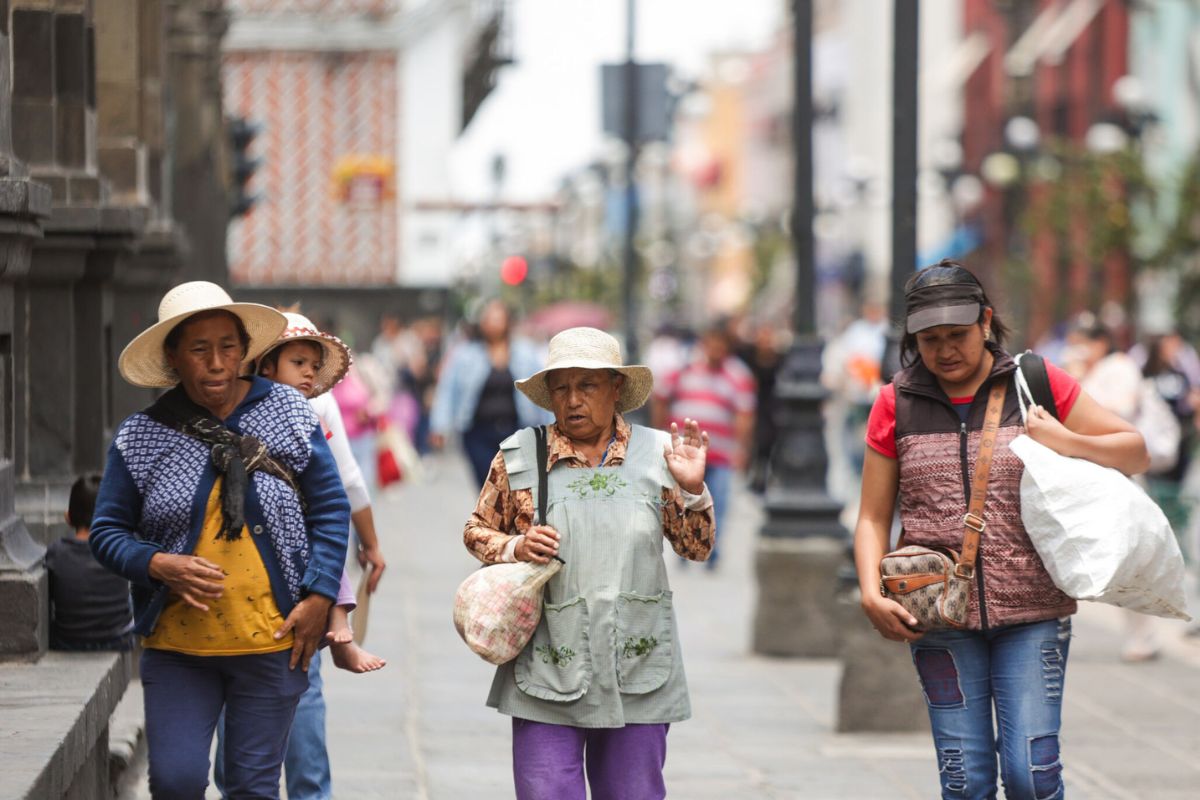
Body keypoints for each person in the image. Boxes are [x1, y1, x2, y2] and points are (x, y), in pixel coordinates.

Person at [853, 262, 1148, 800]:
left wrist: (1064, 438)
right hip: (937, 611)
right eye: (930, 340)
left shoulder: (1036, 384)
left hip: (1033, 614)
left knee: (1030, 777)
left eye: (957, 336)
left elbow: (1134, 448)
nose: (944, 351)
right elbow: (873, 515)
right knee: (965, 782)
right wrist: (870, 594)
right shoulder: (896, 402)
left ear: (986, 321)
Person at [89, 281, 351, 799]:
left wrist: (321, 596)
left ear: (244, 350)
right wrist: (159, 564)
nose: (216, 363)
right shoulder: (142, 436)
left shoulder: (290, 413)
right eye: (199, 349)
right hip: (178, 648)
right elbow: (106, 532)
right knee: (176, 780)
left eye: (228, 347)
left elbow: (330, 508)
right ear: (173, 357)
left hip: (273, 641)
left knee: (253, 788)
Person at [463, 327, 715, 800]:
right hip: (547, 661)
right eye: (561, 388)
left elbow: (695, 550)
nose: (573, 400)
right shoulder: (519, 455)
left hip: (638, 662)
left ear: (616, 389)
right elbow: (476, 531)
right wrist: (516, 548)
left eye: (588, 386)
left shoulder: (661, 454)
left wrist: (693, 490)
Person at [651, 323, 755, 569]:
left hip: (719, 454)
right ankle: (684, 546)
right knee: (682, 502)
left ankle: (711, 551)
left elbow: (745, 416)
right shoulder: (683, 370)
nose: (716, 350)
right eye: (712, 344)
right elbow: (660, 398)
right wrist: (659, 436)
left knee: (717, 502)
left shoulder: (738, 376)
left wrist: (741, 449)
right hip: (684, 453)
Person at [430, 299, 549, 485]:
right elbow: (447, 390)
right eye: (489, 319)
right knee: (489, 484)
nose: (493, 324)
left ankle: (509, 515)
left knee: (516, 487)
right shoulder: (465, 354)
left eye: (498, 318)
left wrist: (551, 425)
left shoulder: (525, 353)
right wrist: (439, 425)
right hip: (477, 433)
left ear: (507, 321)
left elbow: (541, 389)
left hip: (517, 431)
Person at [46, 473, 133, 651]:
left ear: (68, 517)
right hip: (117, 640)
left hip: (68, 641)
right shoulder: (121, 548)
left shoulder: (56, 552)